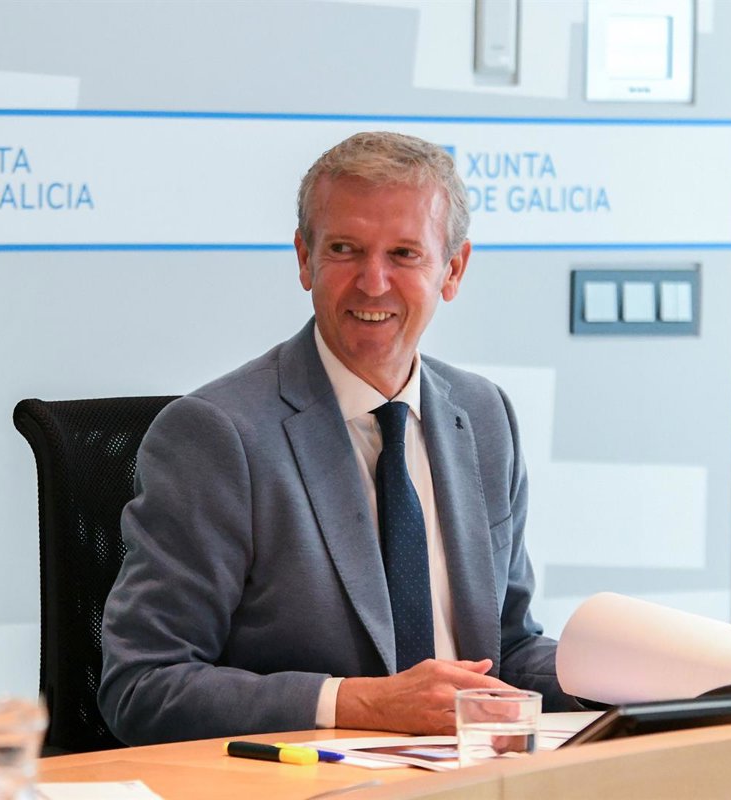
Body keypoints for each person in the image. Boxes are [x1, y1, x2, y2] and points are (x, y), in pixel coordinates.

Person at [99, 131, 576, 746]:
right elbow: (142, 685)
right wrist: (359, 703)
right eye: (345, 249)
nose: (373, 283)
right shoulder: (218, 435)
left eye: (404, 254)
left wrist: (633, 681)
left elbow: (506, 648)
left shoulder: (483, 415)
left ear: (452, 270)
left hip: (470, 772)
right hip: (306, 780)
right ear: (305, 259)